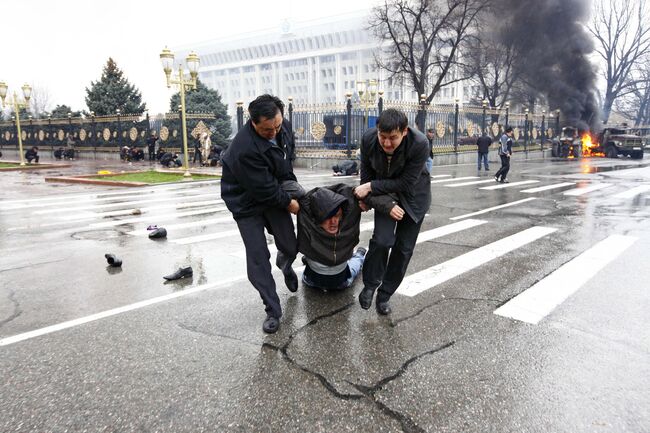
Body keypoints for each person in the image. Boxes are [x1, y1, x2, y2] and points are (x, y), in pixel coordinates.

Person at [220, 94, 299, 334]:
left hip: (271, 191)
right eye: (267, 129)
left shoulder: (280, 125)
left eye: (277, 125)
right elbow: (264, 190)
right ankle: (272, 310)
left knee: (291, 244)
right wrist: (290, 203)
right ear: (253, 123)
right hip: (246, 203)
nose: (274, 131)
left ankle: (285, 263)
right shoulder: (244, 149)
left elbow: (286, 160)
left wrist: (293, 188)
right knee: (258, 258)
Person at [354, 108, 431, 315]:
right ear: (377, 130)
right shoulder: (369, 140)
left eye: (393, 138)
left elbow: (406, 183)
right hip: (385, 197)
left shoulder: (420, 143)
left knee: (403, 250)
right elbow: (365, 181)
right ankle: (370, 284)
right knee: (382, 240)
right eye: (383, 137)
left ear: (404, 131)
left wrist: (370, 189)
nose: (387, 143)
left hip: (414, 197)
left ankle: (385, 294)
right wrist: (375, 201)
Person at [298, 184, 395, 291]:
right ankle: (311, 259)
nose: (333, 222)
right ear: (317, 216)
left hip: (341, 282)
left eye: (337, 216)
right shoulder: (309, 224)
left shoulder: (346, 225)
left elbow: (357, 193)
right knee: (313, 248)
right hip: (311, 282)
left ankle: (359, 255)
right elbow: (304, 200)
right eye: (328, 217)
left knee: (355, 263)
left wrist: (387, 205)